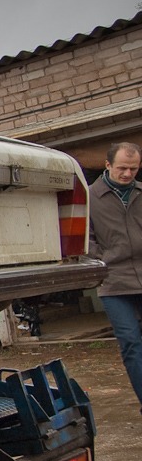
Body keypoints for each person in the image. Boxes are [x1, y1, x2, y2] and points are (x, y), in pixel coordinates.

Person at [88, 141, 142, 414]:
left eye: (133, 168)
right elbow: (85, 240)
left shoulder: (141, 193)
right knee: (131, 343)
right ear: (107, 165)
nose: (127, 174)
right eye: (122, 168)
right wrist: (103, 260)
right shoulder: (89, 198)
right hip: (114, 282)